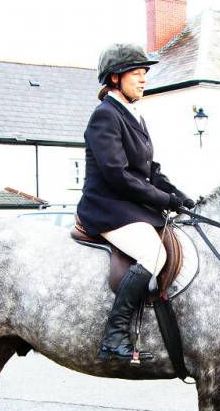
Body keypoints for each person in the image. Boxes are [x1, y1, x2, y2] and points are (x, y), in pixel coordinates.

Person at [76, 43, 194, 363]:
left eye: (144, 74)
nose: (143, 80)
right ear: (114, 78)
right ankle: (114, 337)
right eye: (137, 74)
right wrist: (163, 199)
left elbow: (149, 170)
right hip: (107, 207)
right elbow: (118, 175)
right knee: (153, 253)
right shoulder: (105, 116)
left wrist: (179, 196)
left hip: (128, 205)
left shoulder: (134, 116)